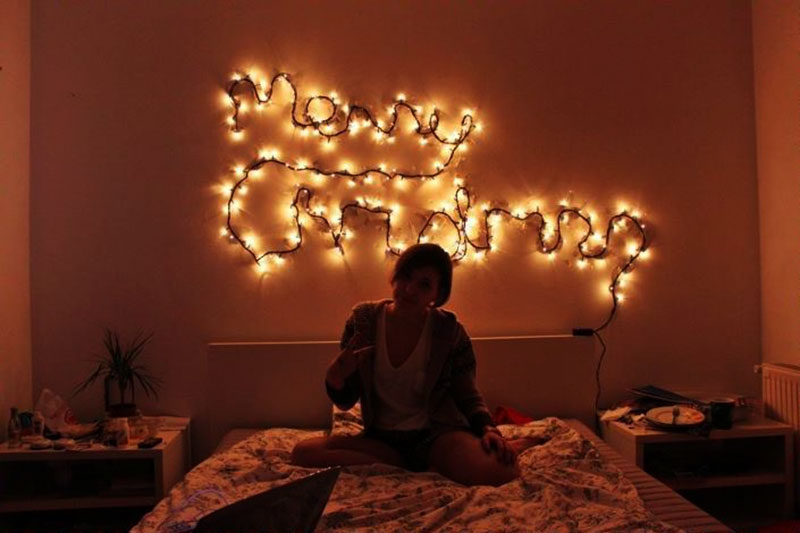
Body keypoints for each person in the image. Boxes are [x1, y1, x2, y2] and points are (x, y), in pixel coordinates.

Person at [291, 243, 527, 486]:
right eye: (405, 277)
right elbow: (345, 401)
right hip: (380, 439)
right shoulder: (363, 322)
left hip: (436, 436)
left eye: (424, 284)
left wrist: (488, 428)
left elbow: (467, 394)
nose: (409, 289)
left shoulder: (449, 332)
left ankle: (415, 462)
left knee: (504, 471)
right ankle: (403, 465)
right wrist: (335, 379)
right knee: (303, 453)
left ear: (438, 294)